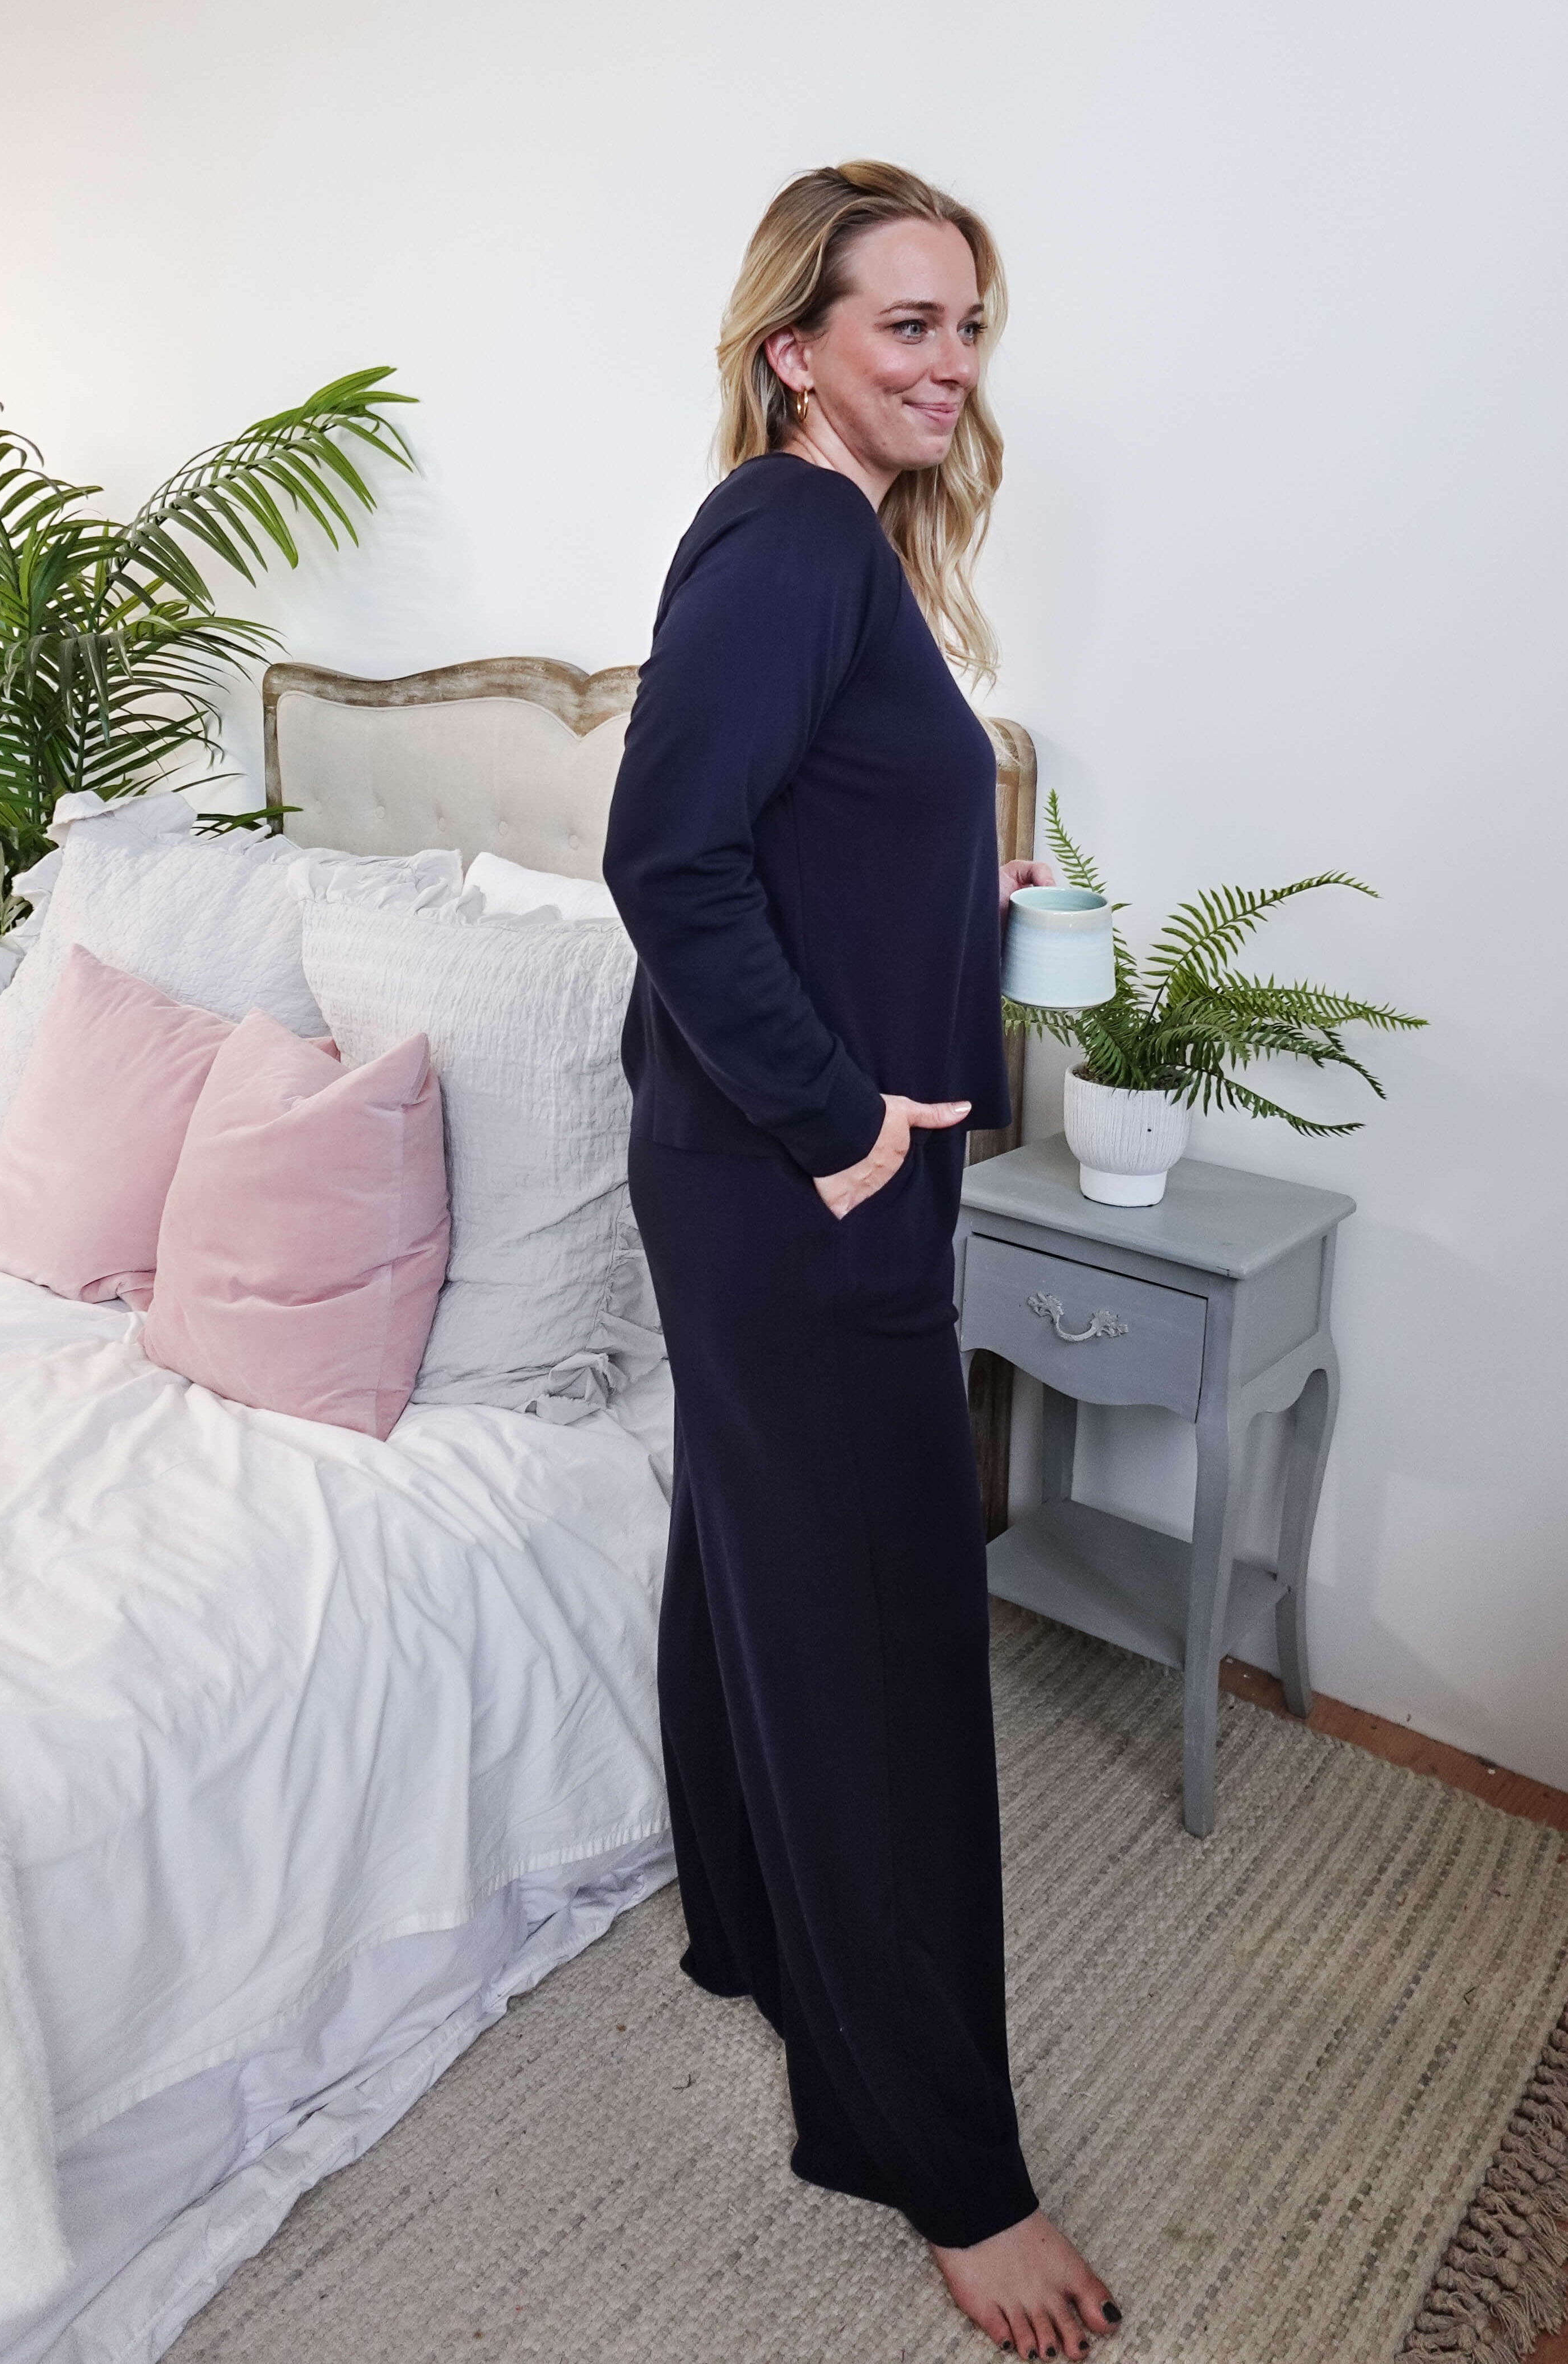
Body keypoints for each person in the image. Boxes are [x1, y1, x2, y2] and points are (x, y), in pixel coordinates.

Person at [603, 160, 1121, 2362]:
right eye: (905, 322)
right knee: (885, 1649)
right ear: (792, 346)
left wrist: (947, 880)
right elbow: (666, 858)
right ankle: (946, 2167)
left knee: (754, 1563)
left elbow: (782, 831)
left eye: (968, 324)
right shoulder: (796, 538)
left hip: (767, 1175)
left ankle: (748, 1930)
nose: (949, 364)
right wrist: (834, 1125)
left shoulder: (829, 549)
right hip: (794, 1182)